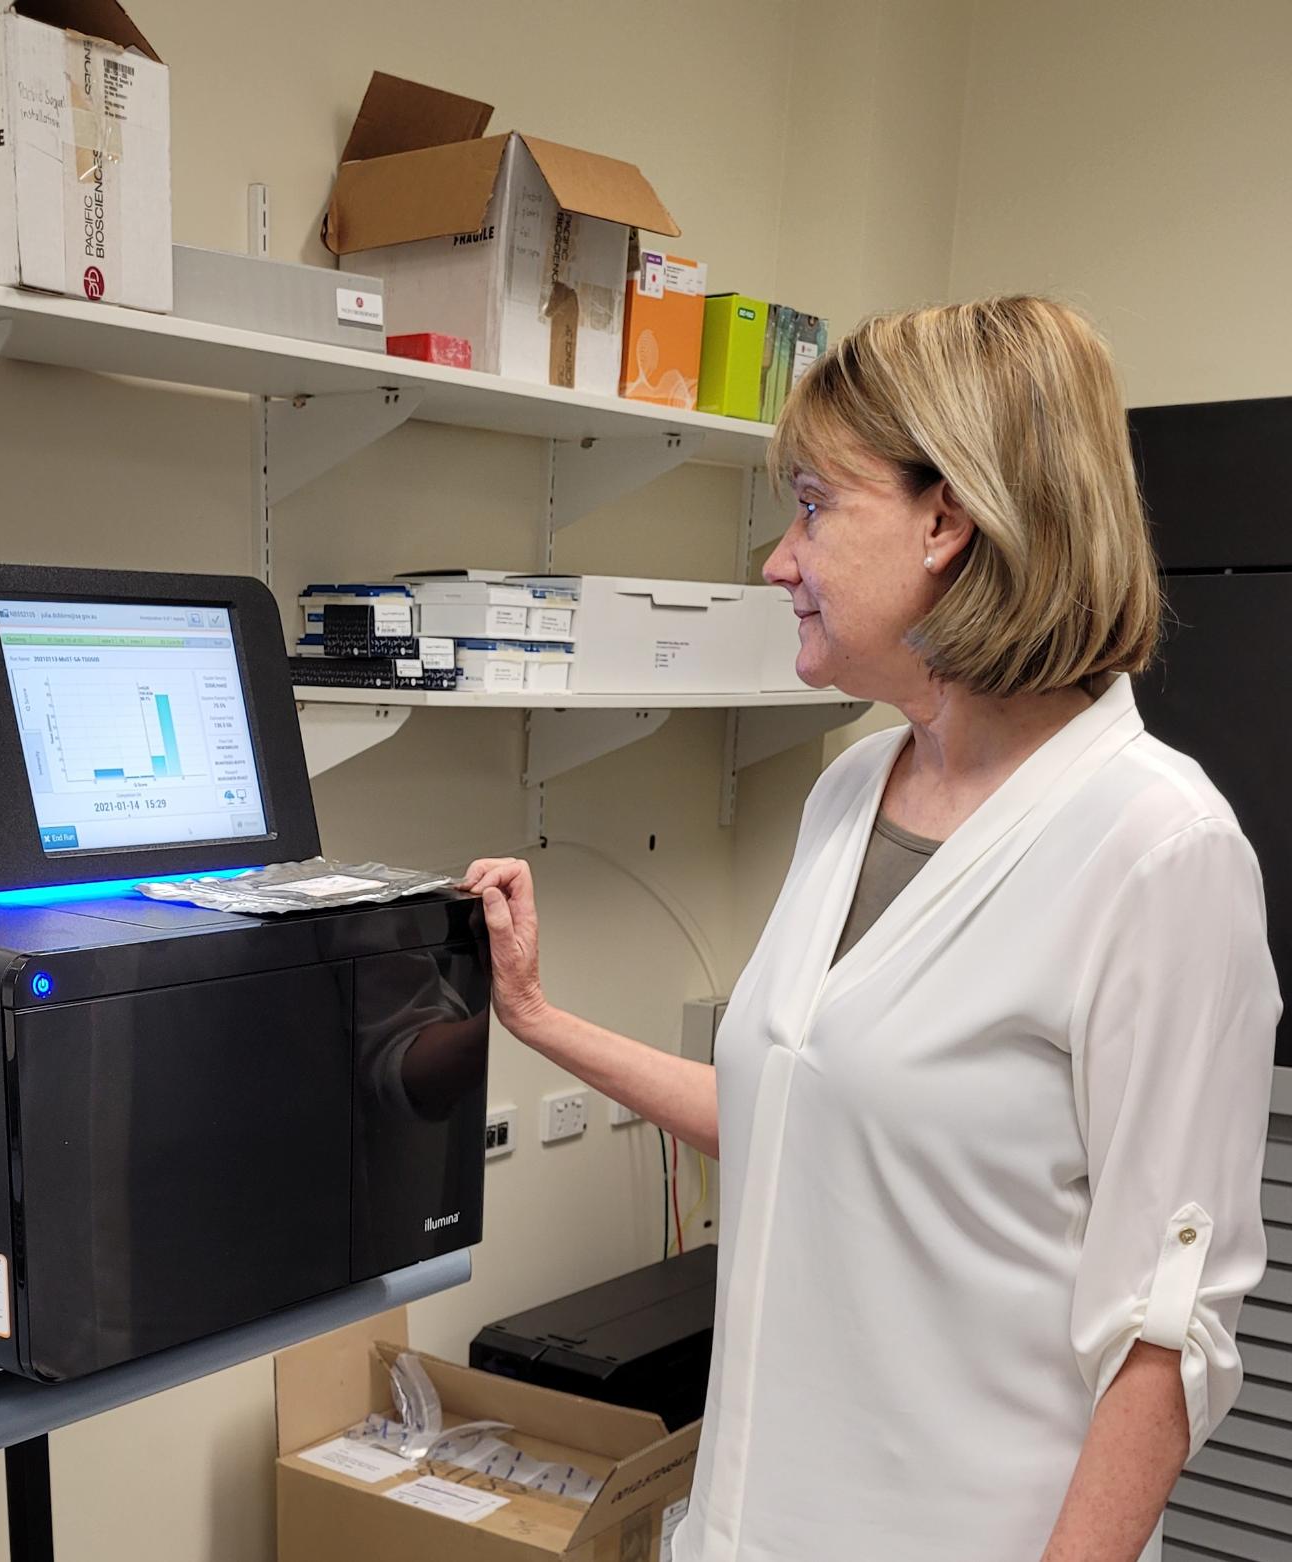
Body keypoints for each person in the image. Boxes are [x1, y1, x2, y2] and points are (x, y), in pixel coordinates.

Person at [463, 297, 1280, 1562]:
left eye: (810, 505)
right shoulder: (851, 786)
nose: (779, 560)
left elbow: (1164, 1339)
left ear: (948, 519)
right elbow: (797, 1115)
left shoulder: (1159, 851)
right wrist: (537, 1015)